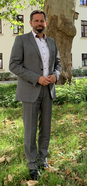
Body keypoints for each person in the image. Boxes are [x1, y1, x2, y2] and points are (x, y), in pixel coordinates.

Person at [9, 10, 62, 180]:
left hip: (48, 91)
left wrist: (56, 75)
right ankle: (32, 165)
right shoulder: (21, 40)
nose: (39, 23)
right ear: (31, 23)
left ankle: (43, 159)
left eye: (42, 21)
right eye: (36, 20)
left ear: (46, 23)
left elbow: (59, 64)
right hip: (30, 91)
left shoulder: (52, 42)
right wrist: (37, 78)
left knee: (45, 128)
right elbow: (14, 65)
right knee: (31, 131)